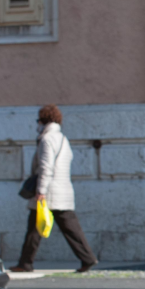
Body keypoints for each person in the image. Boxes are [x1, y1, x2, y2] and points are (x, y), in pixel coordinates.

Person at [10, 104, 98, 273]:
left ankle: (25, 263)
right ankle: (88, 258)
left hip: (49, 191)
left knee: (35, 227)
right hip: (63, 189)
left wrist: (41, 190)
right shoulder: (62, 138)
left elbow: (45, 166)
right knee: (69, 228)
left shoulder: (47, 139)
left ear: (43, 120)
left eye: (38, 120)